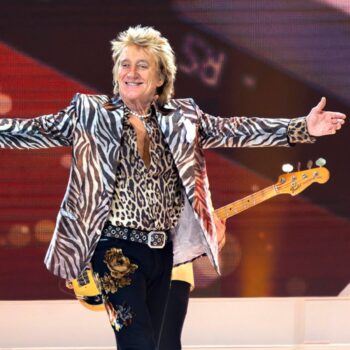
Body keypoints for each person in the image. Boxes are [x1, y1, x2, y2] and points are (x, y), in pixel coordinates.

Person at [0, 25, 346, 350]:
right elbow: (27, 131)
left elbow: (236, 129)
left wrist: (302, 128)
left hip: (168, 252)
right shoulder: (88, 113)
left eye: (142, 65)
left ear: (161, 76)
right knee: (136, 338)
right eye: (125, 64)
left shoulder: (184, 117)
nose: (131, 72)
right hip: (114, 248)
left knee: (164, 343)